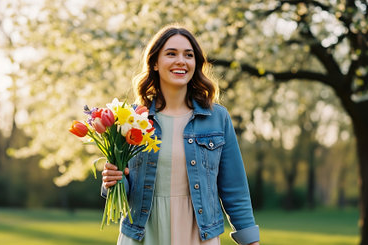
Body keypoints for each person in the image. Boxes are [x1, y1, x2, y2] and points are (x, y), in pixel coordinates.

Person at [101, 24, 260, 245]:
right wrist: (113, 181)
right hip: (143, 233)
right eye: (171, 54)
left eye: (188, 55)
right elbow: (125, 189)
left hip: (198, 233)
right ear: (155, 63)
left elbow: (235, 189)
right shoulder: (131, 118)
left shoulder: (217, 118)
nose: (181, 61)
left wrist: (250, 240)